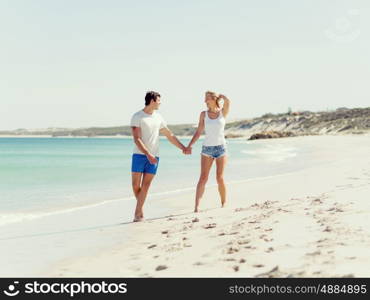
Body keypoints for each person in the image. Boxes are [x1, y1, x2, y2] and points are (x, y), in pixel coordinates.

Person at [130, 91, 189, 222]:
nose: (160, 103)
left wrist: (183, 147)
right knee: (135, 185)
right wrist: (147, 154)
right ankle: (140, 211)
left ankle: (138, 214)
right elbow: (136, 139)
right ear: (152, 101)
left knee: (146, 185)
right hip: (139, 155)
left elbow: (169, 135)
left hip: (155, 156)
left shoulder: (159, 117)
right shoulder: (137, 116)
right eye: (159, 100)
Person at [185, 91, 231, 212]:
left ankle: (224, 202)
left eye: (207, 98)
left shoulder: (222, 112)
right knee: (203, 178)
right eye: (205, 99)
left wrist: (223, 97)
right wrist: (190, 145)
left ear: (214, 99)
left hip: (221, 148)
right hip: (207, 149)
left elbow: (228, 102)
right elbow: (199, 131)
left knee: (219, 178)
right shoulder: (203, 114)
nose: (205, 101)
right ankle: (197, 207)